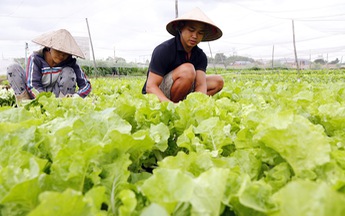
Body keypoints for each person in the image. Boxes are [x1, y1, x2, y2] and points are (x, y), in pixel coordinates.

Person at [142, 7, 224, 103]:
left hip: (183, 88)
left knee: (217, 81)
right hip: (157, 93)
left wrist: (198, 104)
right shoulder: (164, 50)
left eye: (200, 33)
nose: (195, 36)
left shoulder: (200, 56)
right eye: (191, 30)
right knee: (188, 71)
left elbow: (200, 85)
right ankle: (174, 109)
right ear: (181, 28)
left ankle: (187, 106)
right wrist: (170, 106)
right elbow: (150, 86)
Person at [7, 29, 92, 103]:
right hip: (35, 97)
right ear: (50, 48)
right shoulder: (36, 58)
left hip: (58, 98)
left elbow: (86, 85)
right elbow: (33, 84)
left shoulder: (70, 62)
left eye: (66, 53)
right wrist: (45, 100)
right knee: (13, 68)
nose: (62, 56)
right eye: (59, 51)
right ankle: (25, 105)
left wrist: (77, 96)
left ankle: (62, 106)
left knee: (68, 71)